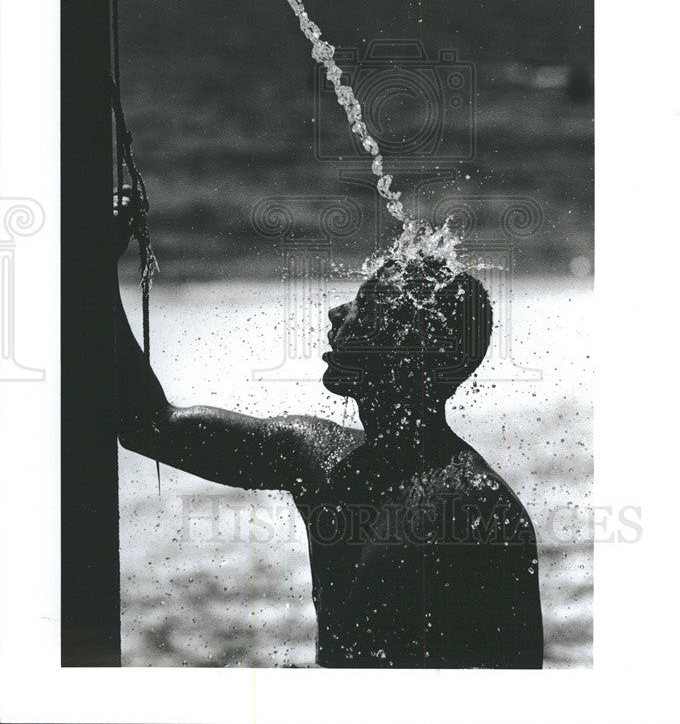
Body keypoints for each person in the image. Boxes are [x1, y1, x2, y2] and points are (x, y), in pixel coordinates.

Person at [114, 189, 543, 668]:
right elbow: (147, 427)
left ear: (408, 351)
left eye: (366, 305)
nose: (337, 314)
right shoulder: (317, 456)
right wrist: (92, 271)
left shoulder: (475, 510)